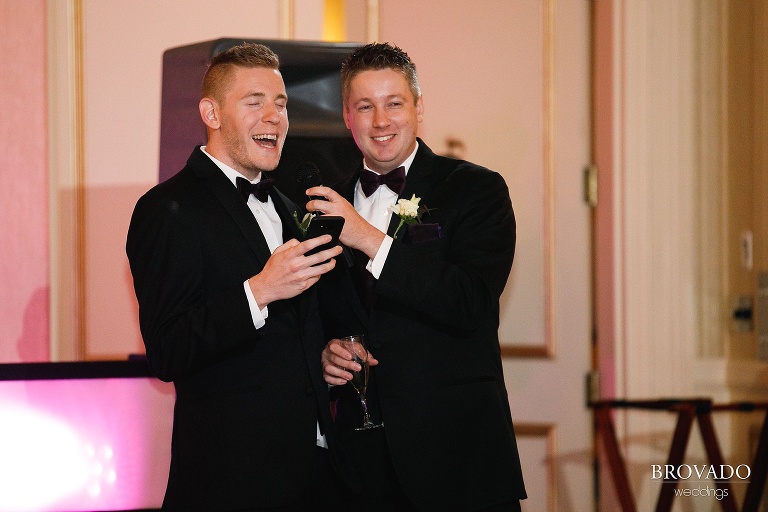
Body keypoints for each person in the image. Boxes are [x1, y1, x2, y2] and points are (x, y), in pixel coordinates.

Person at [126, 42, 354, 511]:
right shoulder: (168, 209)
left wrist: (325, 355)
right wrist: (258, 291)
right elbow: (168, 351)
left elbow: (291, 336)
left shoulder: (291, 207)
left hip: (316, 478)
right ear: (211, 112)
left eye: (281, 104)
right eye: (255, 102)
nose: (274, 117)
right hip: (230, 483)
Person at [309, 42, 527, 511]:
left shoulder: (477, 189)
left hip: (457, 460)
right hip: (358, 470)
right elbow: (314, 312)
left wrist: (368, 237)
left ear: (419, 108)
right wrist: (324, 354)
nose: (381, 122)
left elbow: (468, 300)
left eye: (394, 104)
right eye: (365, 107)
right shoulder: (320, 204)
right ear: (347, 116)